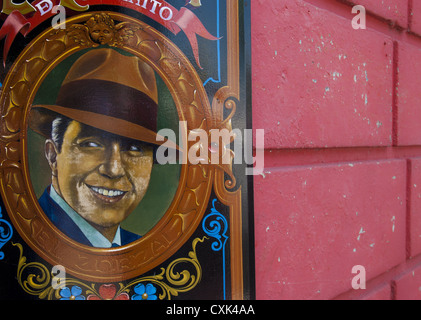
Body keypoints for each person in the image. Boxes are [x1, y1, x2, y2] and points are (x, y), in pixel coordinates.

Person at [29, 48, 177, 248]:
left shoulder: (143, 249)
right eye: (91, 144)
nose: (114, 169)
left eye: (133, 148)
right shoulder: (23, 239)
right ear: (53, 156)